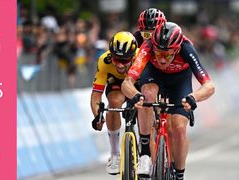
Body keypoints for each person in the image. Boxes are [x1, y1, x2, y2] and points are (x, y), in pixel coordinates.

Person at [122, 22, 215, 179]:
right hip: (154, 75)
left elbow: (209, 86)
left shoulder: (186, 48)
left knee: (178, 128)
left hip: (180, 81)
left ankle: (179, 174)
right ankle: (145, 152)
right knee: (147, 96)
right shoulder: (148, 46)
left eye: (167, 54)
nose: (162, 60)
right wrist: (135, 95)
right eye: (158, 54)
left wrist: (194, 97)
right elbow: (127, 83)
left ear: (177, 49)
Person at [90, 31, 138, 175]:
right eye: (116, 59)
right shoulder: (104, 60)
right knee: (114, 102)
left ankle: (146, 148)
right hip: (117, 84)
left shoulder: (141, 57)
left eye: (124, 60)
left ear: (133, 56)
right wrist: (97, 116)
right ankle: (115, 154)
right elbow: (96, 96)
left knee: (147, 102)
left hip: (138, 81)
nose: (120, 64)